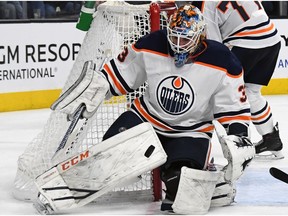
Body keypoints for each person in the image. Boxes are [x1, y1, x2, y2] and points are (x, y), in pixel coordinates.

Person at [49, 4, 255, 214]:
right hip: (146, 119)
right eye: (174, 37)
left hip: (191, 131)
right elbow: (119, 72)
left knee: (184, 193)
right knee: (110, 157)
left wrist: (240, 136)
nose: (177, 44)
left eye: (185, 39)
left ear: (200, 37)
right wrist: (97, 87)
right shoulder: (153, 43)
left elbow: (234, 107)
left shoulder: (223, 61)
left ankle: (209, 181)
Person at [189, 1, 284, 159]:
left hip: (246, 44)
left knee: (220, 93)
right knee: (250, 92)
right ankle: (271, 138)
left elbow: (214, 46)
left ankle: (236, 142)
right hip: (272, 40)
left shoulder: (205, 3)